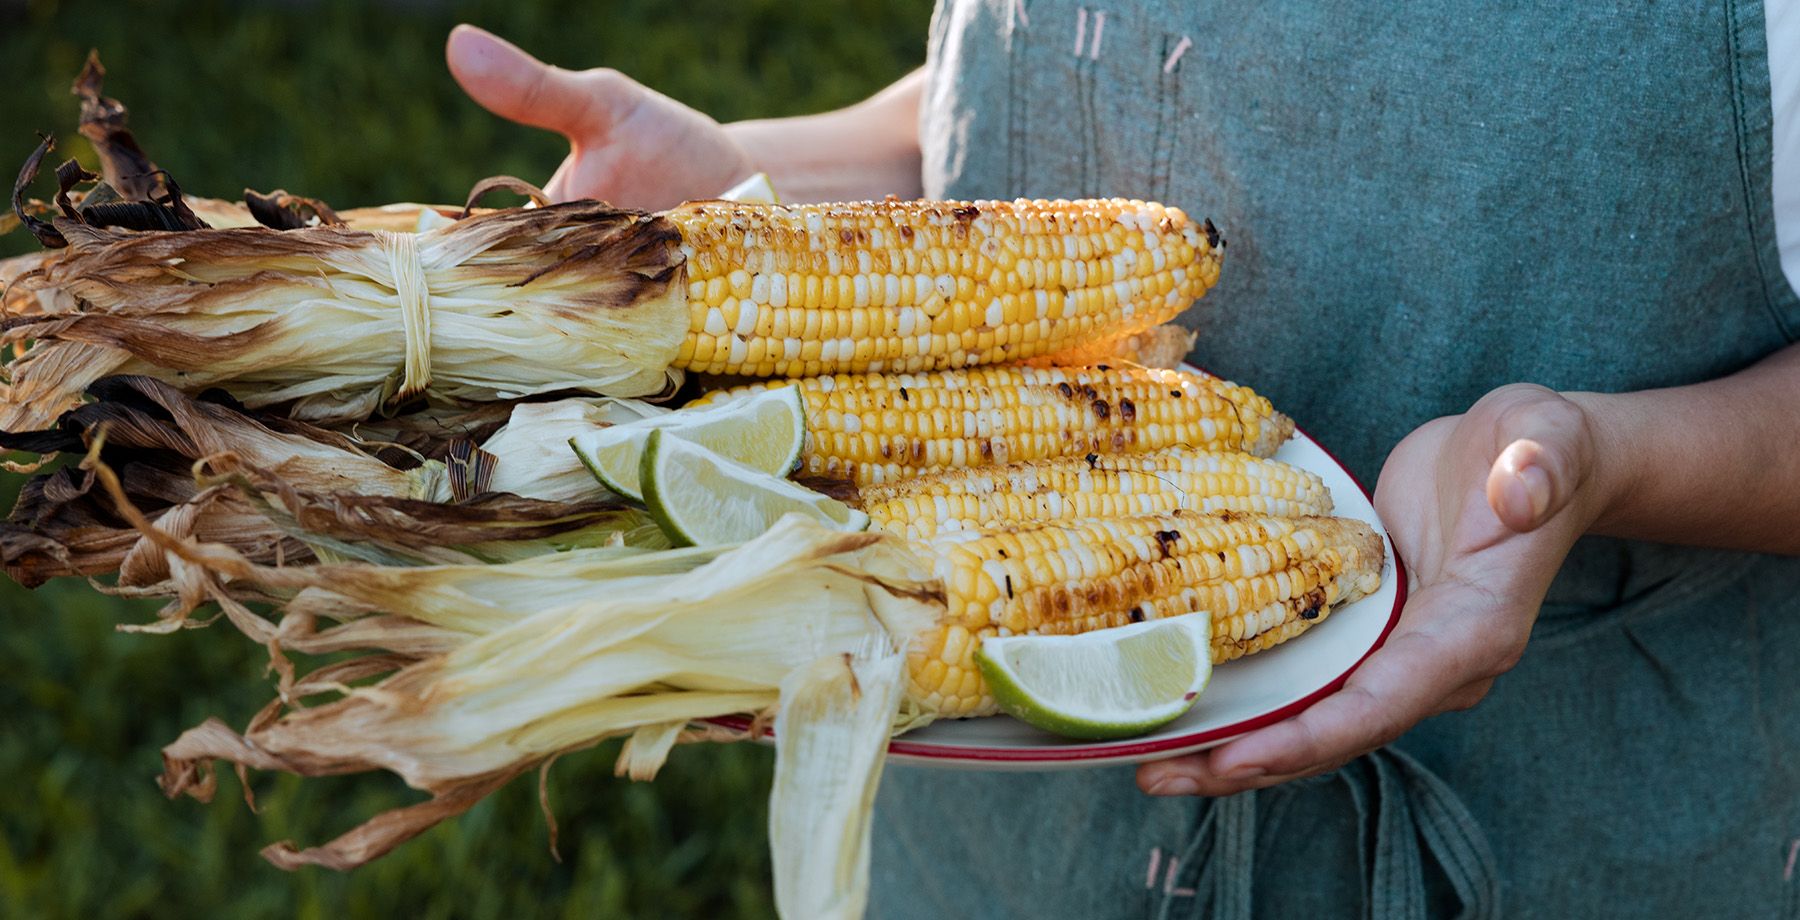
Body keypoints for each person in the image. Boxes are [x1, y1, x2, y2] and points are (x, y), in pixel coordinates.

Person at [443, 4, 1800, 915]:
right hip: (997, 841)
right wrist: (755, 187)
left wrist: (1602, 460)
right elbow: (1001, 105)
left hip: (1563, 816)